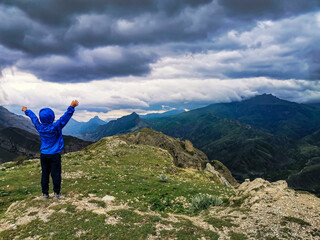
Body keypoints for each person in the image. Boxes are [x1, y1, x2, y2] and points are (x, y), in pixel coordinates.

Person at [22, 100, 79, 200]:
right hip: (55, 155)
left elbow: (33, 118)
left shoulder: (39, 127)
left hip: (44, 155)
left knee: (45, 174)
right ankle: (56, 194)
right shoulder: (56, 127)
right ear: (52, 117)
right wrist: (72, 107)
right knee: (56, 174)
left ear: (41, 118)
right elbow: (65, 118)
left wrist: (26, 110)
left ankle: (45, 194)